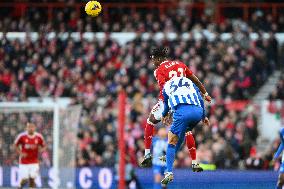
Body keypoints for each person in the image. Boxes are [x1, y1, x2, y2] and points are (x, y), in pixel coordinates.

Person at [141, 47, 211, 173]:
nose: (152, 62)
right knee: (187, 130)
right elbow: (195, 79)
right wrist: (205, 93)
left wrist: (165, 111)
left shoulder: (158, 70)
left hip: (171, 100)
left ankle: (147, 154)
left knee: (150, 121)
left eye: (153, 59)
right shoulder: (180, 64)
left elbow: (164, 90)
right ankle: (194, 162)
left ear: (158, 59)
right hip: (186, 101)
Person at [160, 76, 210, 185]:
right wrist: (204, 116)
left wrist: (163, 115)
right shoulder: (188, 81)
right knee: (184, 133)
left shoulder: (166, 86)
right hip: (197, 112)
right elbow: (201, 99)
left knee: (171, 141)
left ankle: (168, 172)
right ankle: (193, 162)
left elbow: (166, 107)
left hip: (182, 113)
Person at [14, 122, 46, 189]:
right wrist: (20, 153)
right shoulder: (22, 136)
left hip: (34, 161)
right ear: (26, 128)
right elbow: (15, 145)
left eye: (32, 127)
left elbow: (44, 146)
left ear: (35, 128)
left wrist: (41, 150)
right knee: (25, 178)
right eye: (29, 127)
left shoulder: (39, 137)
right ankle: (19, 186)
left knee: (32, 177)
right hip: (24, 161)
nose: (30, 128)